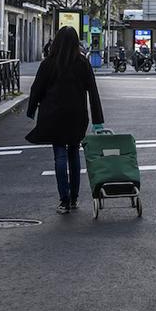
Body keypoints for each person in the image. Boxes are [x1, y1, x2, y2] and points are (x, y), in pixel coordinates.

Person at [25, 25, 105, 215]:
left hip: (53, 115)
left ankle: (64, 200)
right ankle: (75, 198)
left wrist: (31, 110)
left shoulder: (48, 63)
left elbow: (36, 89)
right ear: (76, 42)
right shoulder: (82, 63)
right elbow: (92, 91)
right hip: (77, 116)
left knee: (59, 155)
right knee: (74, 154)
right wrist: (97, 120)